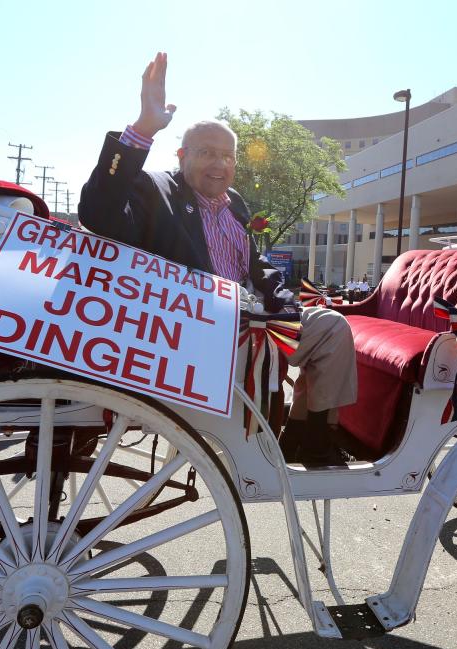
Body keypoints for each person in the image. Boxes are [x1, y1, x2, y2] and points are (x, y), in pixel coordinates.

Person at [79, 52, 357, 465]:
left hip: (254, 320)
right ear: (182, 156)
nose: (220, 164)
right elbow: (98, 212)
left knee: (332, 328)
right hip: (200, 331)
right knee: (307, 330)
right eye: (208, 153)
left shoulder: (236, 204)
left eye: (228, 156)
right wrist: (142, 129)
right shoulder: (155, 191)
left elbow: (254, 264)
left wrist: (280, 296)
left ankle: (308, 436)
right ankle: (286, 437)